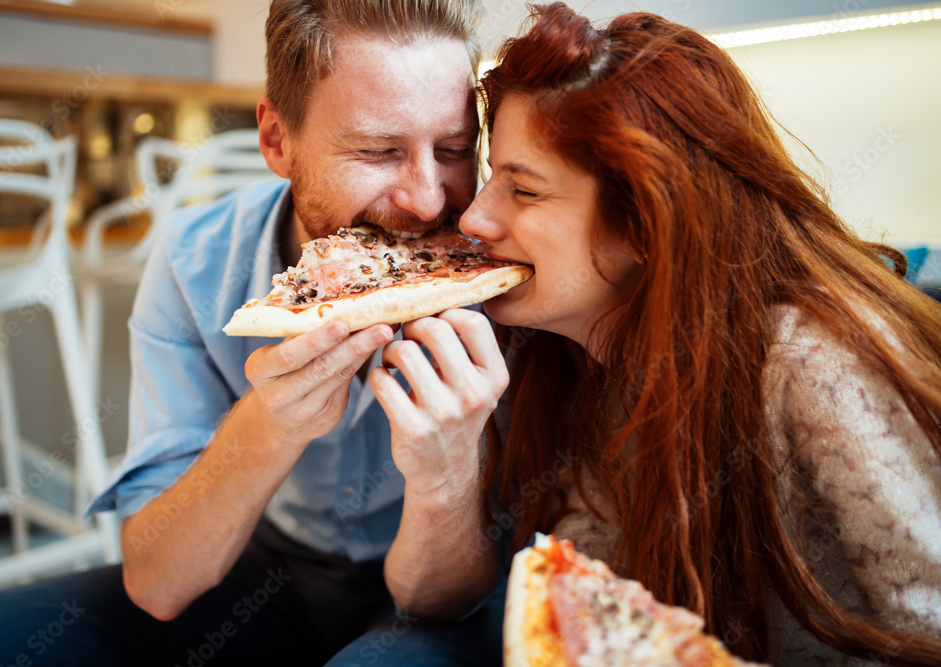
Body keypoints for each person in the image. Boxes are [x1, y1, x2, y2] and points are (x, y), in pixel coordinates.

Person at [370, 3, 941, 665]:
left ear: (646, 221)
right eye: (492, 175)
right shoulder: (554, 356)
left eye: (523, 191)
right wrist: (440, 468)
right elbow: (458, 603)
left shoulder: (812, 362)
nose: (473, 216)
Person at [0, 1, 506, 665]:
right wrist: (269, 425)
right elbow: (158, 582)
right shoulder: (192, 262)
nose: (429, 198)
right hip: (266, 569)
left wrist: (447, 477)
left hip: (452, 580)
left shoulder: (506, 266)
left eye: (453, 149)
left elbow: (451, 590)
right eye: (377, 151)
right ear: (276, 140)